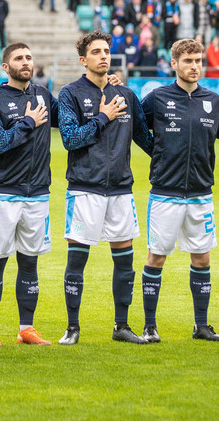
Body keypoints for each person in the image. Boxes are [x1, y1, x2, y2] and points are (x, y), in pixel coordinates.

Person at [139, 39, 219, 343]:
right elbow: (137, 129)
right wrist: (158, 153)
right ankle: (150, 325)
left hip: (201, 194)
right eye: (188, 61)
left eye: (199, 60)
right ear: (174, 64)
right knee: (156, 257)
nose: (195, 66)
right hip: (165, 193)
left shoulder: (212, 100)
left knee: (202, 258)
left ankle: (201, 325)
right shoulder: (157, 99)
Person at [57, 31, 152, 345]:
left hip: (121, 189)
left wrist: (169, 162)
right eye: (96, 52)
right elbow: (70, 138)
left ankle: (122, 327)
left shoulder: (125, 93)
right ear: (83, 60)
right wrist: (102, 116)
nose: (103, 56)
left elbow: (144, 137)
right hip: (85, 188)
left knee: (125, 259)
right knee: (77, 260)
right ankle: (72, 328)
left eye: (106, 51)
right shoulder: (70, 93)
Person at [0, 42, 58, 347]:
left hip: (37, 192)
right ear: (5, 67)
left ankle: (27, 328)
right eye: (19, 58)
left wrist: (109, 85)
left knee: (29, 262)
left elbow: (71, 117)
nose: (26, 62)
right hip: (2, 193)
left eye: (28, 57)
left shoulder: (42, 95)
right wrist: (27, 123)